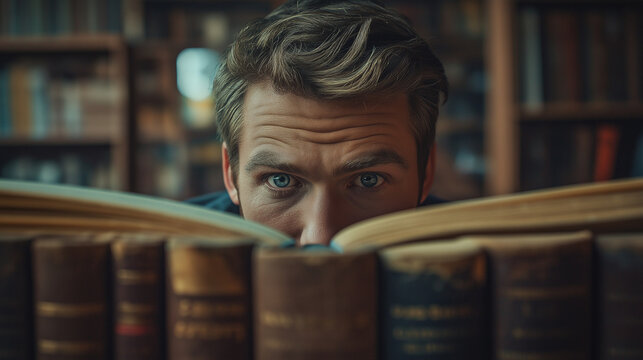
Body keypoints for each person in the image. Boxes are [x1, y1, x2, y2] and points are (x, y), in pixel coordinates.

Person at [188, 0, 448, 246]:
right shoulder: (163, 254)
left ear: (425, 172)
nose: (320, 238)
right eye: (280, 180)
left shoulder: (479, 264)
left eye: (369, 180)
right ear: (230, 175)